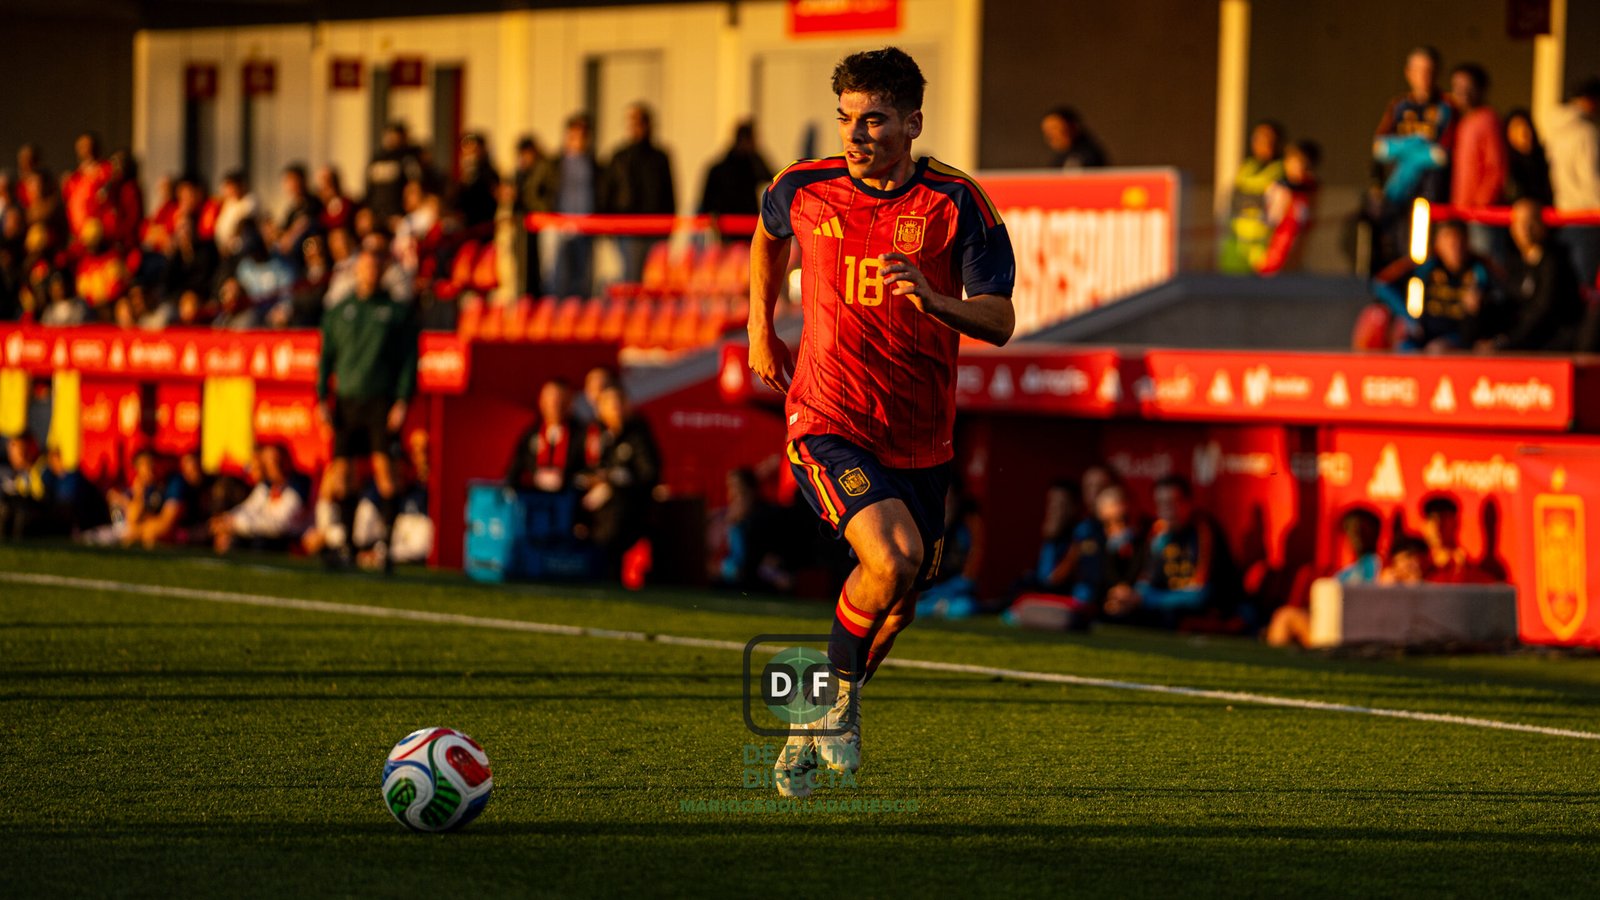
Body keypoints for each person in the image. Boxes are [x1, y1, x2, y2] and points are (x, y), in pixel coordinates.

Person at [748, 47, 1016, 793]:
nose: (856, 134)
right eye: (846, 119)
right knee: (890, 559)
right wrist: (759, 327)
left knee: (898, 600)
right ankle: (836, 712)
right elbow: (769, 236)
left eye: (874, 120)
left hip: (921, 433)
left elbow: (1000, 320)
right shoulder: (802, 187)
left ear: (912, 123)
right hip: (828, 416)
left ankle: (815, 715)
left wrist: (935, 301)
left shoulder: (957, 204)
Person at [317, 246, 419, 571]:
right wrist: (321, 397)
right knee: (343, 474)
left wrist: (402, 399)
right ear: (356, 271)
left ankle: (385, 547)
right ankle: (347, 546)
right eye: (365, 267)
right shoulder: (340, 310)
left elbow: (408, 361)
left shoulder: (395, 312)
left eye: (376, 268)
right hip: (347, 401)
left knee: (385, 472)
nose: (370, 273)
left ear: (383, 271)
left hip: (380, 401)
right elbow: (326, 357)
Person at [1104, 475, 1241, 626]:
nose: (1166, 510)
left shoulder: (1204, 529)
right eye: (1161, 504)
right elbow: (1146, 580)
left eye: (1172, 503)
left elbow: (1200, 593)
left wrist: (1145, 599)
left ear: (1188, 503)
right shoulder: (1158, 532)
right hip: (1166, 605)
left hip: (1208, 606)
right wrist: (1129, 595)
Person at [1265, 508, 1381, 648]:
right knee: (1285, 615)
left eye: (1362, 528)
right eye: (1351, 529)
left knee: (1285, 616)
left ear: (1375, 532)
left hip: (1354, 632)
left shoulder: (1380, 565)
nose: (1357, 535)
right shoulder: (1345, 573)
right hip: (1330, 626)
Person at [1373, 220, 1494, 351]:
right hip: (1426, 333)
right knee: (1404, 347)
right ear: (1438, 243)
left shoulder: (1479, 269)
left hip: (1460, 337)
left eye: (1459, 241)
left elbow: (1500, 296)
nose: (1454, 247)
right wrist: (1410, 319)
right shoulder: (1427, 265)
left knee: (1437, 349)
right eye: (1448, 241)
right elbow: (1381, 283)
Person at [579, 383, 660, 574]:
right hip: (588, 501)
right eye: (610, 403)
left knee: (615, 514)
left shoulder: (639, 434)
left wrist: (613, 480)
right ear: (600, 408)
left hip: (626, 505)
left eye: (620, 402)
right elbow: (578, 468)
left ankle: (606, 569)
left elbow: (649, 474)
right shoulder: (592, 434)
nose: (616, 408)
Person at [602, 103, 677, 284]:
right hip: (628, 229)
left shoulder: (660, 157)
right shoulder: (620, 156)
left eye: (640, 122)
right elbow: (608, 191)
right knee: (632, 280)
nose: (636, 127)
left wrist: (669, 226)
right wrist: (610, 227)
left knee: (656, 282)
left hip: (655, 229)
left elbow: (669, 193)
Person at [1495, 199, 1583, 351]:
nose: (1526, 229)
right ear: (1512, 228)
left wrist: (1509, 341)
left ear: (1543, 225)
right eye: (1520, 222)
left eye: (1531, 222)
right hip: (1521, 339)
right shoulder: (1513, 262)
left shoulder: (1556, 261)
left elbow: (1545, 310)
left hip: (1553, 341)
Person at [539, 114, 601, 298]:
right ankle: (555, 314)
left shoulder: (593, 164)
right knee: (556, 275)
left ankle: (578, 316)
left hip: (585, 225)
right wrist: (548, 213)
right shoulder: (554, 163)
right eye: (574, 135)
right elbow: (537, 191)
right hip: (558, 225)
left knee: (581, 276)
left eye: (583, 136)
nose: (578, 140)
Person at [1545, 78, 1600, 288]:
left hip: (1563, 213)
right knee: (1583, 283)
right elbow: (1592, 178)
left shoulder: (1557, 129)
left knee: (1566, 281)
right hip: (1588, 214)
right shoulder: (1588, 133)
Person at [1447, 64, 1506, 258]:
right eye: (1456, 86)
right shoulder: (1463, 122)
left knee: (1485, 264)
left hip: (1480, 216)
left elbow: (1496, 168)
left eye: (1467, 86)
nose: (1461, 92)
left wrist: (1479, 207)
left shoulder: (1488, 120)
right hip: (1461, 213)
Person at [210, 444, 309, 553]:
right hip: (262, 535)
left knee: (257, 543)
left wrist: (236, 524)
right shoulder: (267, 486)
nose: (272, 466)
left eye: (275, 461)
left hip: (286, 542)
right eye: (268, 462)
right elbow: (248, 507)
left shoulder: (298, 487)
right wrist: (227, 520)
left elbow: (279, 526)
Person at [1220, 121, 1285, 274]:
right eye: (1258, 139)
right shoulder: (1246, 167)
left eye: (1268, 139)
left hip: (1263, 248)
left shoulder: (1281, 171)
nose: (1263, 144)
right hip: (1236, 247)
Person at [505, 379, 585, 493]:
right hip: (535, 499)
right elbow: (514, 470)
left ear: (570, 402)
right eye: (550, 399)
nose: (554, 404)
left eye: (559, 399)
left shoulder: (582, 433)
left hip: (569, 499)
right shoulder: (531, 433)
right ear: (541, 401)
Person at [1255, 139, 1321, 276]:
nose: (1300, 168)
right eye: (1296, 162)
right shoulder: (1278, 187)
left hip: (1293, 256)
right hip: (1271, 253)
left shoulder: (1310, 190)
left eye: (1305, 165)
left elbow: (1306, 222)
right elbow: (1270, 219)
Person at [698, 120, 774, 222]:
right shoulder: (721, 170)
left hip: (746, 225)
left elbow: (771, 177)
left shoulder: (752, 164)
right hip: (730, 226)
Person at [1419, 496, 1496, 584]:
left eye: (1444, 518)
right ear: (1423, 525)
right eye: (1432, 519)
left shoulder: (1466, 565)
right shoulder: (1418, 565)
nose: (1438, 526)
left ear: (1456, 523)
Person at [366, 122, 425, 228]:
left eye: (396, 135)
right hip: (376, 217)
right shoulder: (377, 159)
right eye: (390, 135)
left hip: (399, 217)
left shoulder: (409, 159)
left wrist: (406, 214)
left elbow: (414, 187)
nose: (392, 138)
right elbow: (369, 189)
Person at [0, 432, 48, 541]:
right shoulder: (10, 472)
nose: (12, 455)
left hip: (36, 514)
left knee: (20, 509)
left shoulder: (40, 469)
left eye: (17, 451)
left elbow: (39, 495)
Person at [452, 132, 500, 236]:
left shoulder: (488, 174)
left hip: (482, 227)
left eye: (473, 150)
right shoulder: (466, 173)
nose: (469, 154)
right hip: (467, 227)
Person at [1503, 109, 1554, 205]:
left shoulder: (1544, 158)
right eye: (1516, 128)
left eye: (1526, 126)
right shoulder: (1507, 164)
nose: (1523, 132)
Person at [1040, 106, 1108, 169]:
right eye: (1047, 131)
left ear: (1072, 127)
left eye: (1054, 128)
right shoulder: (1060, 157)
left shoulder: (1087, 156)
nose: (1050, 136)